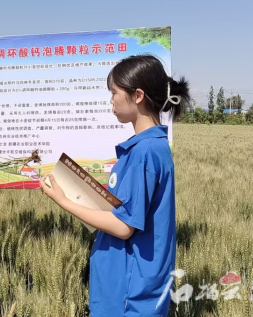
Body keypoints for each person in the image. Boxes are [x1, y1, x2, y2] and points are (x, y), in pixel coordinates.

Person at [39, 54, 190, 317]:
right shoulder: (152, 147)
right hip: (133, 289)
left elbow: (123, 227)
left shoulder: (143, 153)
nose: (111, 100)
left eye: (114, 93)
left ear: (138, 95)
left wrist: (64, 200)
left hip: (128, 295)